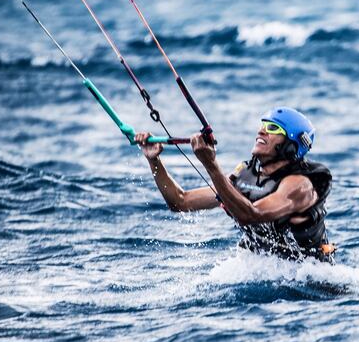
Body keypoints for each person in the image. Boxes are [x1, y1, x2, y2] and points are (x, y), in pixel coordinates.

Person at [134, 107, 335, 263]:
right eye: (262, 125)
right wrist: (154, 160)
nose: (261, 131)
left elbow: (251, 215)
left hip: (311, 278)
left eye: (273, 128)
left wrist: (211, 165)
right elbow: (180, 202)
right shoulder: (245, 176)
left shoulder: (300, 186)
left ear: (292, 145)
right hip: (266, 270)